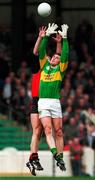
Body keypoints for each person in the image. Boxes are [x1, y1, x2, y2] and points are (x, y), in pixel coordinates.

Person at [26, 26, 62, 175]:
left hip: (47, 100)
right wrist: (41, 37)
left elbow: (59, 55)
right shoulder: (39, 66)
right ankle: (33, 158)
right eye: (48, 57)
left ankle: (33, 158)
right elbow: (35, 52)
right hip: (37, 99)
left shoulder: (52, 68)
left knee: (42, 131)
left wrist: (59, 42)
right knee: (37, 130)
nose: (50, 59)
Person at [37, 23, 69, 170]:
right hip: (43, 102)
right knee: (48, 130)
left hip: (55, 102)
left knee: (59, 131)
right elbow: (42, 52)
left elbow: (65, 55)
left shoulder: (60, 70)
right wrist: (44, 38)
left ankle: (60, 158)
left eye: (58, 57)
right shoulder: (44, 66)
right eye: (55, 57)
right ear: (50, 60)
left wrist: (65, 39)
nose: (56, 58)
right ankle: (56, 154)